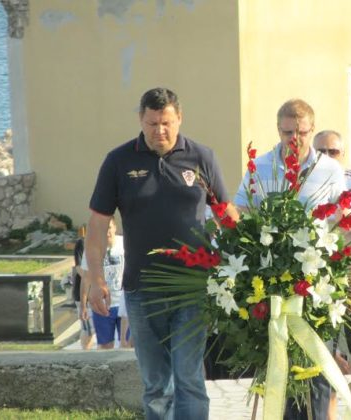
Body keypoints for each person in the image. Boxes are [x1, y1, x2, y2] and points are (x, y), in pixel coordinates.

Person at [84, 87, 238, 420]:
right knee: (156, 386)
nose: (159, 131)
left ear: (179, 118)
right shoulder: (118, 161)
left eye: (166, 123)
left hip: (193, 289)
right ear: (141, 120)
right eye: (152, 124)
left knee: (189, 380)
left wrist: (254, 254)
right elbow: (97, 225)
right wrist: (96, 279)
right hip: (142, 289)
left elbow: (226, 215)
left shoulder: (202, 157)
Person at [235, 99, 347, 420]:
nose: (294, 139)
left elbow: (341, 221)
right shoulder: (260, 166)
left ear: (312, 130)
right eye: (287, 133)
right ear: (278, 130)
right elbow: (241, 210)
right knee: (278, 369)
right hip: (271, 283)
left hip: (316, 282)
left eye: (301, 132)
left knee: (317, 371)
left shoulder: (330, 170)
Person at [313, 130, 351, 420]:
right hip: (320, 281)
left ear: (343, 154)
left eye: (333, 151)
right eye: (321, 151)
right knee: (325, 354)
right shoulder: (305, 182)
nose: (327, 156)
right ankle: (331, 409)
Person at [80, 217, 124, 350]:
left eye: (109, 228)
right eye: (104, 229)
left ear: (115, 228)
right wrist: (83, 306)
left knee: (127, 344)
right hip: (102, 304)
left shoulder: (125, 244)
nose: (107, 232)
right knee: (105, 345)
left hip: (124, 302)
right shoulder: (92, 248)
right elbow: (86, 279)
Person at [73, 225, 95, 350]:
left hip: (97, 293)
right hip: (83, 292)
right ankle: (85, 353)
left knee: (95, 328)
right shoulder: (82, 243)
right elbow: (79, 268)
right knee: (88, 329)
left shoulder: (102, 244)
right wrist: (93, 281)